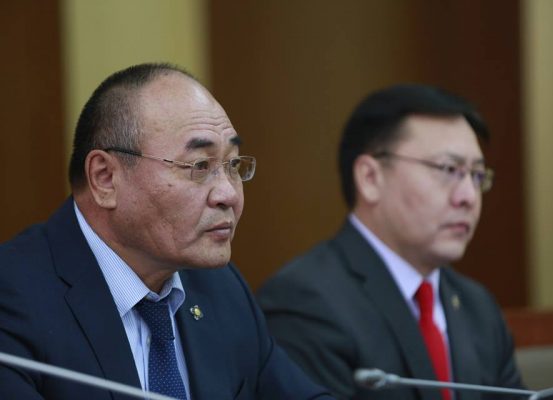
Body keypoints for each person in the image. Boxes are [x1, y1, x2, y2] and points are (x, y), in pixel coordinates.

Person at [0, 63, 333, 400]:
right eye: (199, 166)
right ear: (105, 178)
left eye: (233, 165)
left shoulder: (220, 288)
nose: (228, 195)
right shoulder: (12, 299)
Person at [257, 84, 524, 399]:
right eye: (448, 169)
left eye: (477, 175)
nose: (468, 197)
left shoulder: (478, 308)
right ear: (370, 178)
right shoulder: (304, 303)